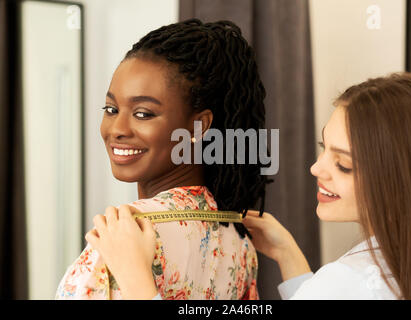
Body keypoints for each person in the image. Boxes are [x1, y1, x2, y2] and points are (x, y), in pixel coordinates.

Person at [55, 19, 271, 300]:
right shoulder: (239, 244)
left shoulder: (120, 241)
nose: (117, 129)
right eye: (111, 108)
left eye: (143, 113)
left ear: (199, 126)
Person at [244, 72, 411, 300]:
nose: (316, 168)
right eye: (324, 147)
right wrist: (286, 253)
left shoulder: (346, 281)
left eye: (343, 164)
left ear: (400, 181)